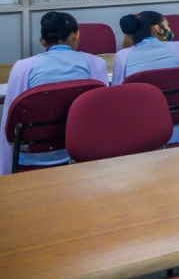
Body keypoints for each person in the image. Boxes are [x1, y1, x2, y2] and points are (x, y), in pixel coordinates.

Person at [1, 12, 108, 175]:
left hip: (33, 158)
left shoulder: (22, 68)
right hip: (81, 153)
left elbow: (9, 122)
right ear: (76, 34)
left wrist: (5, 173)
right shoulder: (96, 64)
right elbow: (101, 114)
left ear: (43, 41)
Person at [113, 11, 179, 145]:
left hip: (139, 135)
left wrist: (126, 39)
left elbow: (116, 95)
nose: (170, 29)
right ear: (158, 28)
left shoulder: (122, 56)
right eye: (167, 25)